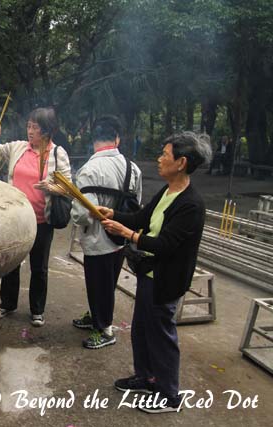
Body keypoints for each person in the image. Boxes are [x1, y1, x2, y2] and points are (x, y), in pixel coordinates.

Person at [97, 131, 211, 413]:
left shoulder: (191, 204)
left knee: (161, 333)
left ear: (181, 162)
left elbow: (166, 244)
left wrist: (128, 234)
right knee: (142, 329)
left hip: (167, 278)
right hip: (148, 274)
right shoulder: (168, 190)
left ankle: (169, 395)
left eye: (165, 155)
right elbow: (141, 218)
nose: (159, 159)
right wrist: (114, 215)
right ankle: (146, 377)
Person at [0, 107, 71, 327]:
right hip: (16, 218)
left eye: (35, 127)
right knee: (12, 262)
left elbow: (68, 188)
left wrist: (50, 187)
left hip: (42, 220)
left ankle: (37, 310)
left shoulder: (57, 154)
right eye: (29, 126)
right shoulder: (19, 148)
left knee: (39, 266)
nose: (30, 131)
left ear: (48, 131)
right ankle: (8, 303)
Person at [68, 115, 142, 349]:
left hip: (98, 239)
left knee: (97, 283)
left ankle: (105, 330)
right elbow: (136, 204)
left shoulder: (88, 170)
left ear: (93, 140)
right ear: (117, 139)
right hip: (120, 235)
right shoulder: (133, 167)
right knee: (107, 281)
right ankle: (96, 316)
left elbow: (81, 214)